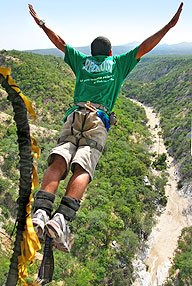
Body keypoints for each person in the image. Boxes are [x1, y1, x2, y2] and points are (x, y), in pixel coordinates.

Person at [28, 3, 183, 252]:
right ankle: (61, 219)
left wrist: (42, 23)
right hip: (97, 119)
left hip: (74, 114)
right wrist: (169, 26)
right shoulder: (118, 63)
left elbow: (60, 43)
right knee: (83, 166)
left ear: (92, 52)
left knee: (59, 160)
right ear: (110, 52)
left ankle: (40, 212)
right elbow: (145, 46)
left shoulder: (82, 61)